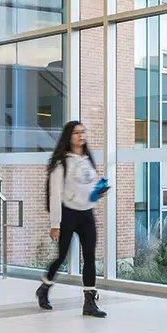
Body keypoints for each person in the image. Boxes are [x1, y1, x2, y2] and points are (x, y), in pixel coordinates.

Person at [36, 121, 107, 318]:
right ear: (69, 136)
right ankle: (45, 287)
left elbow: (90, 188)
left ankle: (89, 301)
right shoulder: (61, 163)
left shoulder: (87, 160)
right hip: (68, 215)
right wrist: (54, 224)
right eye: (76, 133)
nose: (80, 136)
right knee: (61, 257)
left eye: (83, 132)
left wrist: (99, 192)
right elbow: (55, 194)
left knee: (90, 257)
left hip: (86, 214)